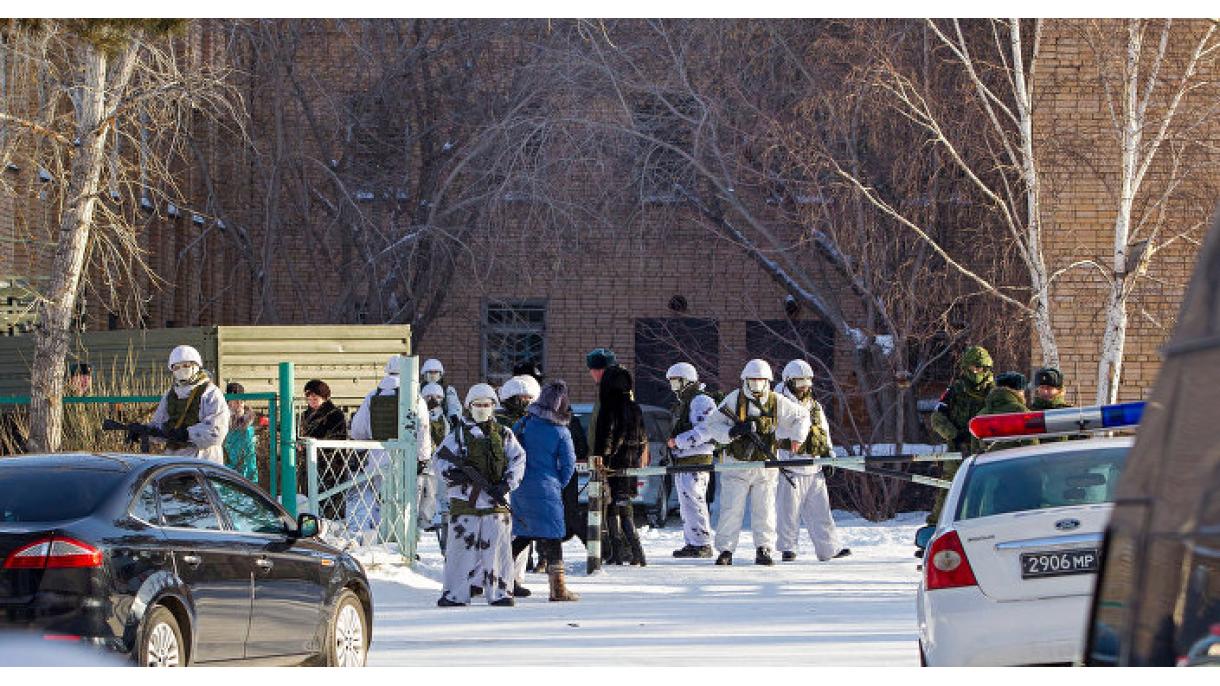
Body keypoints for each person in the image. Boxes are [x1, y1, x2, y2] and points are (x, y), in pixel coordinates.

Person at [699, 359, 810, 566]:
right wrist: (731, 432)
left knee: (765, 509)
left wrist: (797, 438)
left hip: (764, 467)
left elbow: (802, 416)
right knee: (731, 509)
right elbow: (713, 424)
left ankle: (764, 548)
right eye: (753, 380)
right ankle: (725, 550)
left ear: (767, 381)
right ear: (746, 381)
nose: (757, 384)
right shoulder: (734, 399)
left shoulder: (777, 401)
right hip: (736, 464)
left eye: (760, 380)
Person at [435, 383, 527, 607]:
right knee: (459, 552)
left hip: (495, 504)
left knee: (498, 551)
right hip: (465, 502)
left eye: (487, 405)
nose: (483, 409)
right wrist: (454, 474)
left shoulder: (504, 433)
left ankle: (501, 592)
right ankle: (454, 594)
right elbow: (439, 461)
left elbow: (518, 459)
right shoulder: (457, 435)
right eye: (478, 405)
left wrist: (506, 484)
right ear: (469, 406)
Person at [346, 355, 432, 545]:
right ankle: (404, 543)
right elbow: (423, 429)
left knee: (380, 502)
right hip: (405, 458)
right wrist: (423, 458)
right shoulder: (414, 396)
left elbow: (358, 430)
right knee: (405, 504)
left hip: (377, 456)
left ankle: (382, 540)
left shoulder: (372, 395)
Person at [510, 380, 580, 601]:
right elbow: (569, 465)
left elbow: (509, 452)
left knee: (522, 535)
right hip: (548, 488)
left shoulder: (522, 424)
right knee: (553, 537)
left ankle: (501, 578)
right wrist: (557, 482)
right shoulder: (560, 431)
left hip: (520, 488)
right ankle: (557, 589)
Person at [774, 360, 849, 562]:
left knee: (821, 511)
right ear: (789, 382)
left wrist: (829, 455)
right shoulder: (779, 403)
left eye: (807, 382)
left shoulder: (814, 405)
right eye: (800, 382)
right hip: (789, 466)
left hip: (814, 465)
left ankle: (828, 549)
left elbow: (823, 431)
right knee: (787, 512)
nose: (805, 387)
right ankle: (787, 548)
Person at [927, 345, 995, 523]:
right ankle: (933, 531)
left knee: (988, 492)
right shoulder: (954, 391)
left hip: (986, 450)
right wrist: (954, 435)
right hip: (957, 449)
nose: (975, 371)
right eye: (971, 367)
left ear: (986, 368)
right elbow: (937, 417)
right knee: (948, 491)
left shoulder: (995, 393)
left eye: (979, 367)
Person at [593, 365, 650, 566]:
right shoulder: (634, 407)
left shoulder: (609, 406)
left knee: (612, 508)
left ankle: (619, 553)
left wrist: (602, 458)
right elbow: (643, 437)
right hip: (630, 463)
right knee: (624, 506)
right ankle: (636, 552)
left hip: (613, 465)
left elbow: (607, 437)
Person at [664, 362, 717, 558]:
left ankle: (702, 543)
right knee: (686, 504)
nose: (673, 386)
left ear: (686, 380)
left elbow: (706, 430)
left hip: (696, 458)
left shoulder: (701, 401)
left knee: (695, 500)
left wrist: (678, 442)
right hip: (684, 459)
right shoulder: (686, 402)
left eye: (676, 381)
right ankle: (693, 542)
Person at [147, 345, 229, 463]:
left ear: (196, 366)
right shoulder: (170, 395)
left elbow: (216, 431)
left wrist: (188, 434)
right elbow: (160, 425)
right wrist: (145, 431)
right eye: (176, 367)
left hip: (204, 459)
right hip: (173, 460)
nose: (181, 370)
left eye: (186, 365)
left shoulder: (210, 393)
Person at [299, 379, 348, 518]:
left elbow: (337, 438)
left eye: (315, 398)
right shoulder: (304, 415)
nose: (311, 401)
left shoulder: (335, 415)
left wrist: (314, 445)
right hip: (308, 465)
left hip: (330, 465)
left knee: (330, 502)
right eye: (308, 398)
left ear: (324, 397)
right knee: (309, 501)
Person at [978, 372, 1038, 452]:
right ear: (1018, 391)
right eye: (1023, 391)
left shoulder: (981, 414)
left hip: (988, 463)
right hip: (1016, 462)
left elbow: (975, 452)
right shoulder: (1021, 411)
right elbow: (1032, 448)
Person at [222, 382, 259, 482]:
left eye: (241, 400)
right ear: (228, 402)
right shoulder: (222, 424)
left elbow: (251, 457)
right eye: (235, 400)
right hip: (225, 475)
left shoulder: (248, 427)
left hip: (244, 477)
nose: (239, 403)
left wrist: (253, 480)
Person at [421, 358, 463, 423]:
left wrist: (454, 416)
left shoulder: (448, 389)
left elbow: (453, 404)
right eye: (430, 372)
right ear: (424, 374)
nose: (433, 375)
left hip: (443, 421)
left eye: (435, 372)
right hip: (422, 420)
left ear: (440, 374)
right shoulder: (418, 388)